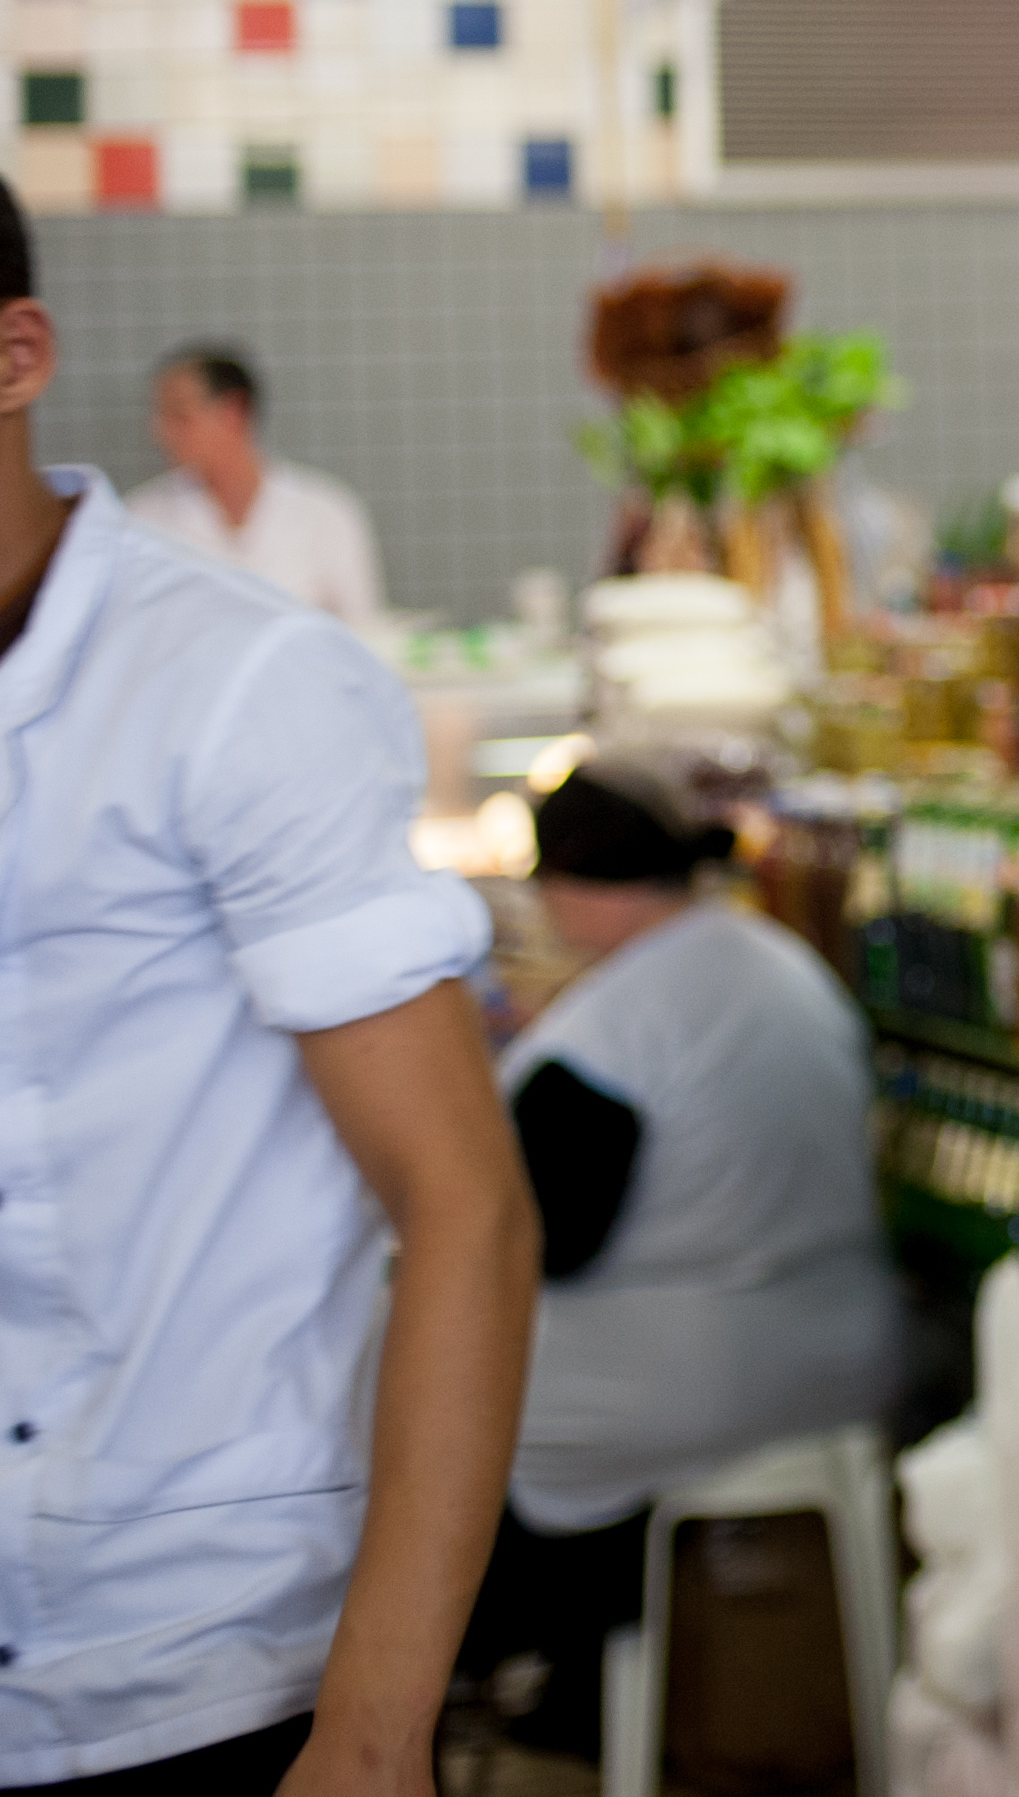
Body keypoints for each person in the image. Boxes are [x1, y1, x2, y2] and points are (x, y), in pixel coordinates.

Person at [0, 186, 538, 1797]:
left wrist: (373, 1734)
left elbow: (467, 1208)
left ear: (16, 355)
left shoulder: (235, 682)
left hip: (183, 1657)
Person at [451, 761, 899, 1759]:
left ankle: (551, 1704)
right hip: (848, 1363)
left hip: (687, 1397)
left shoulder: (610, 1033)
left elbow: (535, 1245)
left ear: (560, 885)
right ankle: (581, 1691)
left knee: (428, 1437)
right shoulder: (777, 962)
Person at [129, 346, 387, 627]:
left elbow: (363, 630)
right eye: (160, 416)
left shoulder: (325, 511)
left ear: (233, 411)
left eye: (179, 415)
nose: (160, 432)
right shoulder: (140, 519)